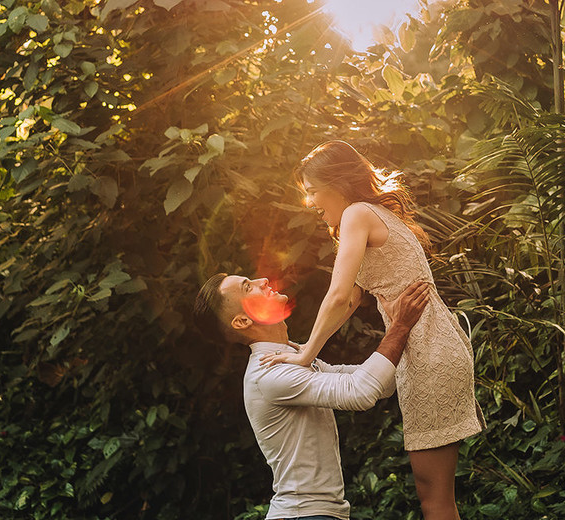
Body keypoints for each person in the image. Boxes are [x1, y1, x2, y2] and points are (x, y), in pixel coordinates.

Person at [260, 140, 484, 520]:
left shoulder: (358, 214)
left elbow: (336, 296)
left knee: (434, 497)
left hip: (429, 349)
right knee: (434, 494)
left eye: (313, 191)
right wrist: (308, 348)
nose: (311, 203)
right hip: (426, 347)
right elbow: (349, 302)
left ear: (337, 182)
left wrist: (305, 355)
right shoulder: (369, 214)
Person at [194, 273, 432, 520]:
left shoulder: (294, 355)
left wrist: (398, 325)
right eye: (248, 287)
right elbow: (361, 392)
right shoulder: (269, 373)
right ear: (242, 321)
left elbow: (382, 384)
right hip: (303, 515)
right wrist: (400, 326)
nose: (263, 280)